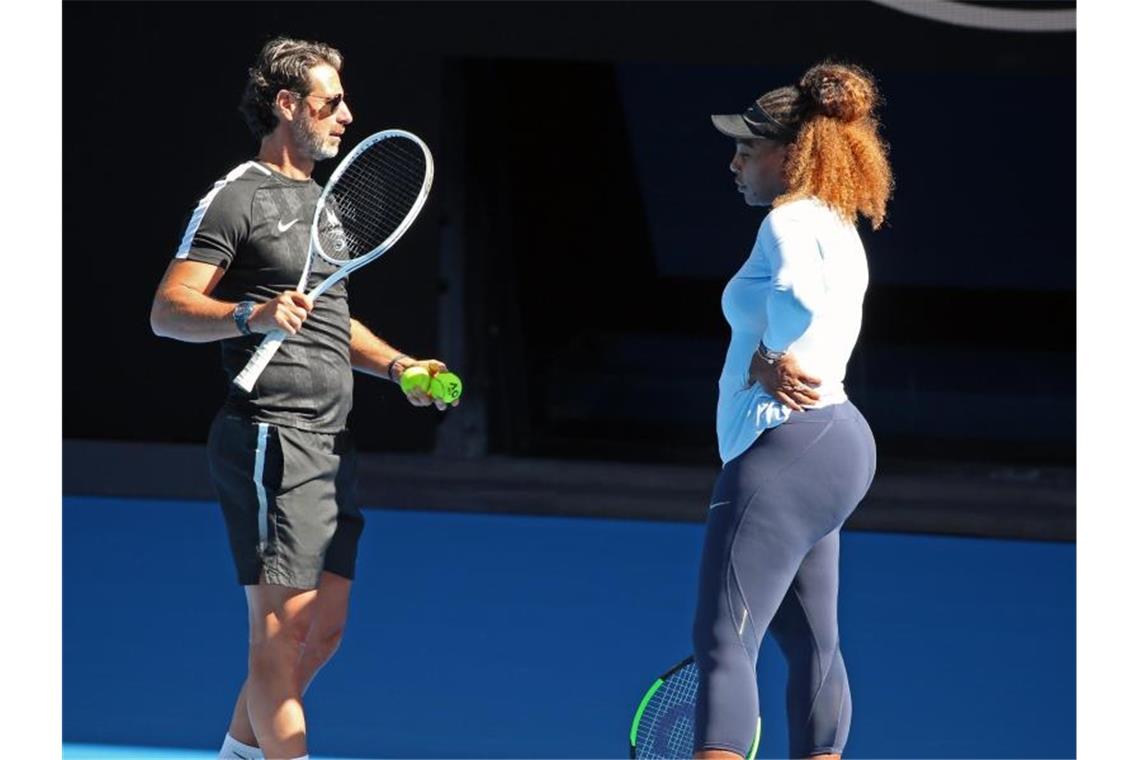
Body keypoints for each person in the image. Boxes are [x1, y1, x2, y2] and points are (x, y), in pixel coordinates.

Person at [150, 37, 456, 760]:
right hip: (270, 437)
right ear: (287, 105)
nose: (346, 114)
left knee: (322, 631)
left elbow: (333, 319)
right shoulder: (237, 197)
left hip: (331, 439)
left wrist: (400, 366)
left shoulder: (324, 203)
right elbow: (168, 310)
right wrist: (245, 315)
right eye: (330, 102)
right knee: (279, 633)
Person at [691, 62, 893, 760]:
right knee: (813, 643)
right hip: (835, 444)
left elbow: (801, 300)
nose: (736, 162)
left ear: (788, 153)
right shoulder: (836, 223)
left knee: (724, 641)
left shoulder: (788, 221)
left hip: (785, 446)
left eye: (748, 149)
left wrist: (768, 354)